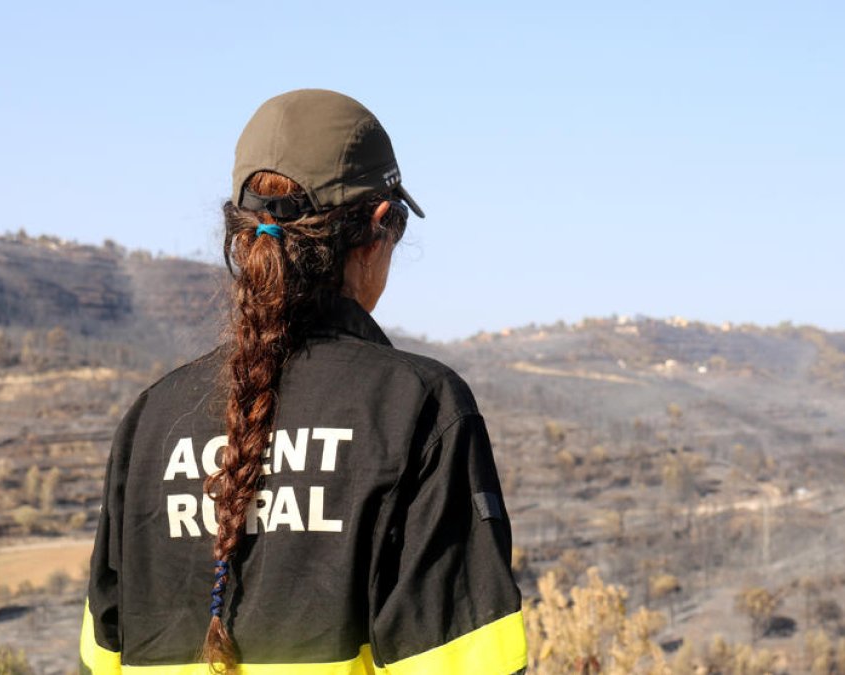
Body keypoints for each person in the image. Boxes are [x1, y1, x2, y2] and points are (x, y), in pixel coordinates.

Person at [79, 89, 527, 674]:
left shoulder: (150, 421)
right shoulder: (418, 408)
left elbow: (101, 659)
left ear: (241, 236)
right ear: (380, 226)